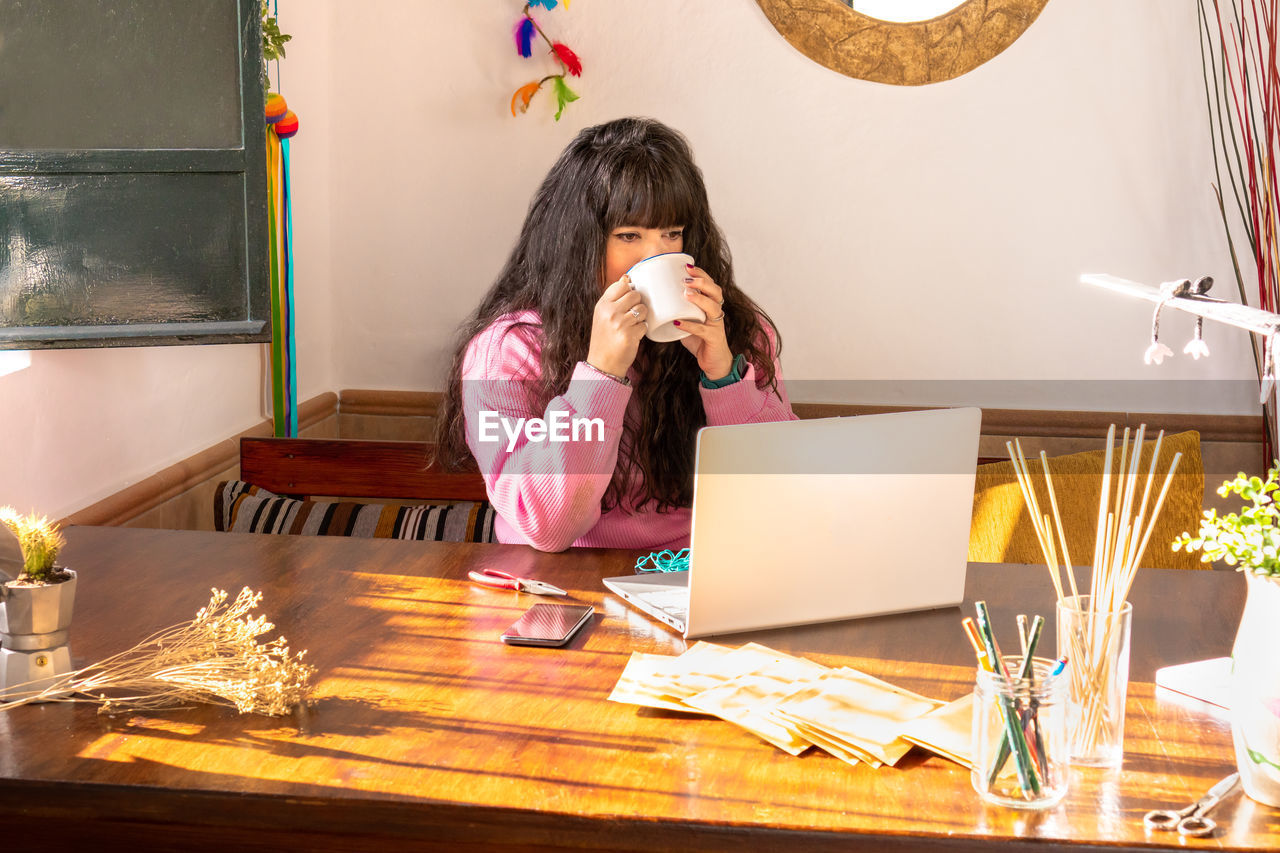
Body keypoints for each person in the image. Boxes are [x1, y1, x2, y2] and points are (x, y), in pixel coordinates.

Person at [436, 117, 797, 552]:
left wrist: (722, 374)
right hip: (562, 581)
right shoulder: (508, 350)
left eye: (672, 234)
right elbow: (548, 527)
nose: (658, 255)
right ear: (578, 243)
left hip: (695, 573)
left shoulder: (736, 329)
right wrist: (601, 374)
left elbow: (782, 496)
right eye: (629, 235)